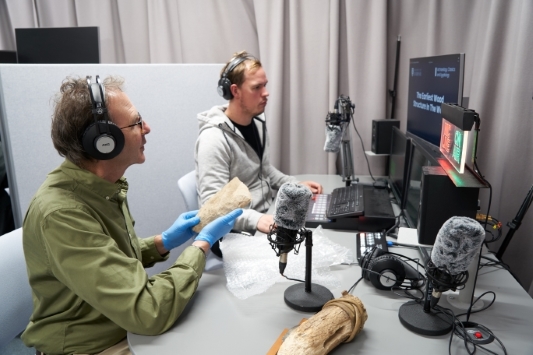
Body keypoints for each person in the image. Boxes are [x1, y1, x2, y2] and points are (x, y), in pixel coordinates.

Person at [21, 75, 242, 355]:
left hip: (120, 323)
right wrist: (201, 245)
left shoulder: (104, 187)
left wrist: (161, 242)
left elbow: (107, 261)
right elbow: (147, 311)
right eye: (136, 122)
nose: (147, 128)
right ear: (103, 141)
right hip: (93, 345)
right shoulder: (62, 214)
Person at [195, 51, 322, 235]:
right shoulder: (213, 139)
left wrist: (294, 185)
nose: (266, 93)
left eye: (265, 85)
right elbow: (212, 209)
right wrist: (256, 220)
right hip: (234, 233)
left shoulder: (256, 122)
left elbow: (264, 170)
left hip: (265, 216)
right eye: (257, 87)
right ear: (235, 91)